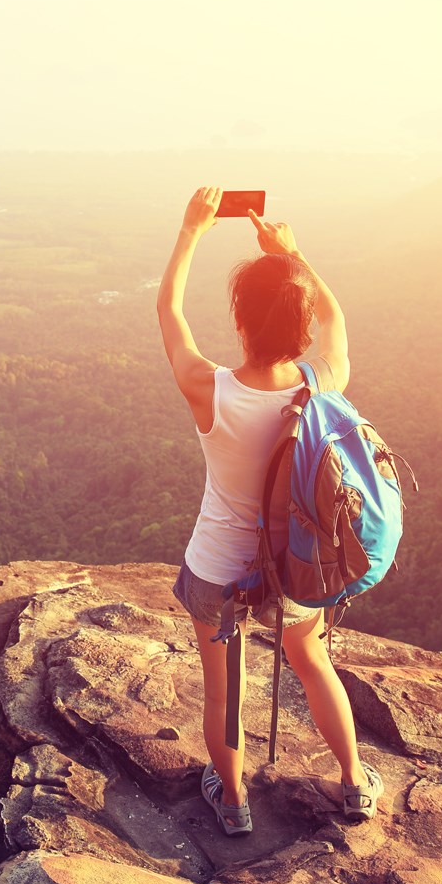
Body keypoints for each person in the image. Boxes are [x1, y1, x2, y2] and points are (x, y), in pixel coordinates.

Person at [156, 186, 383, 836]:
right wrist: (294, 253)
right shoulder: (321, 382)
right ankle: (352, 783)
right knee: (312, 662)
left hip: (218, 569)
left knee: (225, 693)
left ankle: (232, 802)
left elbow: (168, 310)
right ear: (301, 329)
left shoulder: (211, 392)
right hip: (295, 565)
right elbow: (337, 325)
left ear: (241, 324)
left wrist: (191, 230)